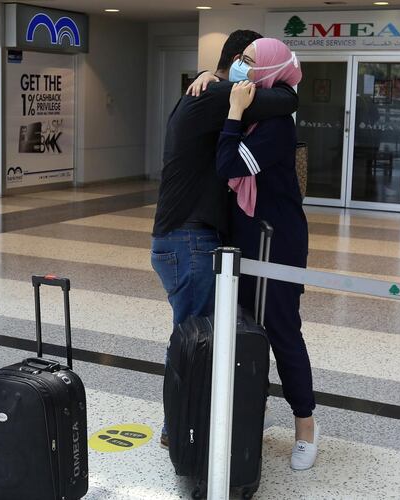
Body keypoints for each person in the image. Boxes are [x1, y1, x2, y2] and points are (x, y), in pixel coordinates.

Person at [152, 30, 298, 448]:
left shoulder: (207, 90)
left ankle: (184, 424)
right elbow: (287, 99)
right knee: (193, 339)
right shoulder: (218, 94)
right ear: (238, 60)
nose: (253, 72)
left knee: (192, 336)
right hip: (189, 240)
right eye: (251, 61)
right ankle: (177, 429)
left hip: (182, 237)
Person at [214, 38, 319, 471]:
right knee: (244, 330)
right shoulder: (261, 119)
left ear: (270, 72)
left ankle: (306, 428)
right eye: (240, 59)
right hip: (247, 238)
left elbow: (227, 165)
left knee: (282, 331)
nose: (241, 67)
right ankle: (255, 409)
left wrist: (234, 114)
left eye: (250, 62)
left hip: (277, 241)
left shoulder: (276, 126)